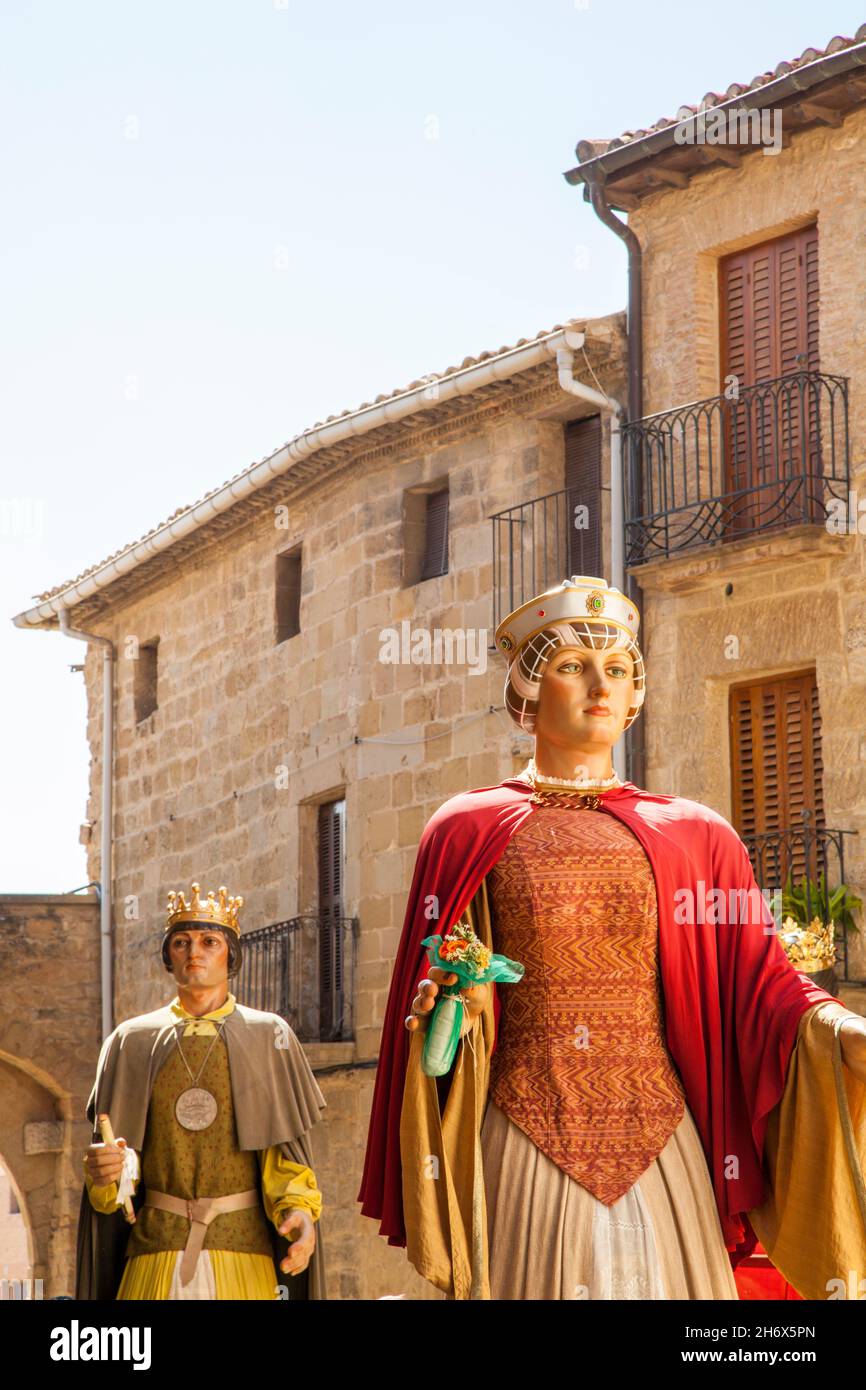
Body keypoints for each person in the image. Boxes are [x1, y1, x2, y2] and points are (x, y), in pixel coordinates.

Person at [358, 575, 866, 1300]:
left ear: (636, 700)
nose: (599, 685)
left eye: (618, 670)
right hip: (524, 1129)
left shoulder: (697, 835)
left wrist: (844, 1031)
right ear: (528, 694)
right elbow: (439, 990)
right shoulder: (466, 828)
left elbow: (762, 980)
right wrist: (449, 1005)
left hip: (663, 1138)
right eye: (572, 667)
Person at [76, 881, 327, 1300]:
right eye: (181, 942)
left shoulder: (268, 1037)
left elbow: (284, 1160)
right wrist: (105, 1176)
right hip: (154, 1258)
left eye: (210, 941)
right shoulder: (130, 1042)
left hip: (244, 1258)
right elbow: (112, 1192)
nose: (195, 952)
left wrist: (300, 1212)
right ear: (168, 957)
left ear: (231, 955)